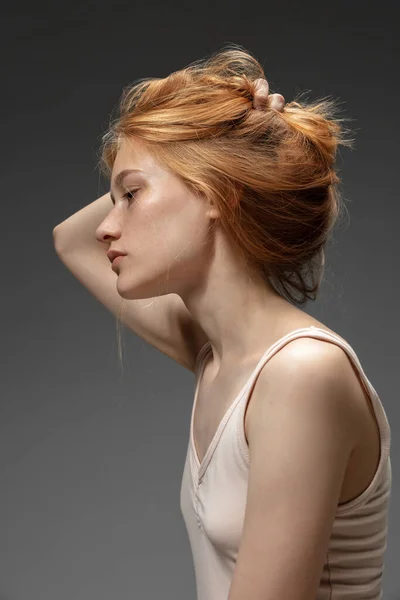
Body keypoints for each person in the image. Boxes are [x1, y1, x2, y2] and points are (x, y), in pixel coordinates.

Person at [53, 45, 392, 600]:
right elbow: (70, 240)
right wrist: (214, 145)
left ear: (214, 194)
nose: (106, 228)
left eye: (131, 196)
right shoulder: (220, 355)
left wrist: (211, 149)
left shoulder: (301, 374)